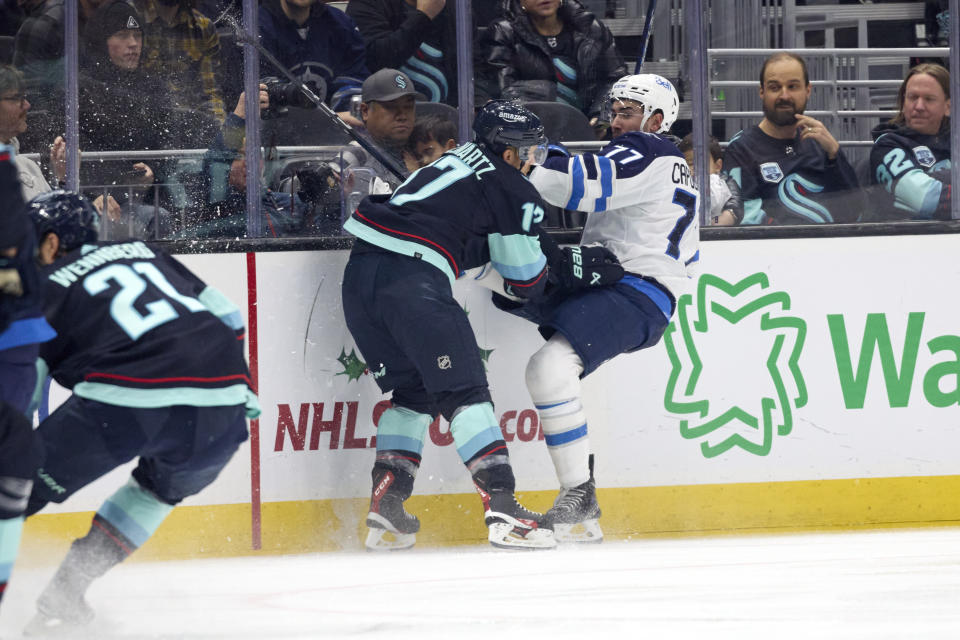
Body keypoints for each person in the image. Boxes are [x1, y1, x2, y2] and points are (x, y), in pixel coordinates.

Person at [21, 190, 260, 633]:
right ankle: (67, 591)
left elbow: (22, 387)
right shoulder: (145, 251)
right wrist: (234, 385)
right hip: (223, 409)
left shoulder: (41, 288)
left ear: (51, 244)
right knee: (155, 492)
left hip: (127, 403)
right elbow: (229, 318)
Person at [341, 100, 556, 551]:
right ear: (510, 153)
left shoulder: (456, 159)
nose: (533, 161)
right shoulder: (511, 187)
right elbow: (526, 279)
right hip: (411, 283)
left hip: (360, 279)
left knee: (414, 393)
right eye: (529, 152)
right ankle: (502, 508)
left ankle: (387, 504)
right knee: (466, 392)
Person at [506, 74, 699, 543]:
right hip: (617, 280)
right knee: (507, 278)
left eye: (627, 112)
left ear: (656, 119)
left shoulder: (648, 148)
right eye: (613, 111)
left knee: (549, 369)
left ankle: (579, 494)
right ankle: (584, 516)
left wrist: (525, 152)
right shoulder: (661, 156)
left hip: (637, 288)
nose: (616, 122)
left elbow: (580, 186)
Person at [0, 145, 53, 613]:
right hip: (13, 331)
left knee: (9, 459)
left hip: (15, 337)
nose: (24, 102)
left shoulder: (11, 162)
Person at [722, 52, 861, 225]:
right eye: (775, 87)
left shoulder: (820, 145)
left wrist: (834, 153)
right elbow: (744, 218)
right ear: (761, 92)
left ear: (807, 91)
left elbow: (855, 212)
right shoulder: (742, 149)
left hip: (829, 248)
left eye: (793, 87)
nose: (784, 96)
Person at [79, 0, 176, 238]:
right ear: (102, 42)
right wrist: (102, 192)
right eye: (122, 36)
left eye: (137, 35)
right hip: (98, 203)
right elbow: (77, 155)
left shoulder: (155, 88)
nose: (133, 44)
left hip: (150, 198)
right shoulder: (80, 88)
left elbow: (170, 142)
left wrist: (154, 169)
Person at [477, 0, 626, 128]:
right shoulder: (503, 32)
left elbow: (616, 80)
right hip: (529, 133)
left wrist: (601, 116)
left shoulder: (591, 28)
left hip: (589, 131)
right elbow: (503, 92)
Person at [346, 0, 498, 106]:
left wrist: (479, 103)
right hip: (389, 115)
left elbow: (474, 69)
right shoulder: (367, 4)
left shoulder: (459, 10)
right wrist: (424, 16)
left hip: (446, 122)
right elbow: (378, 60)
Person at [869, 63, 951, 221]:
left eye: (929, 99)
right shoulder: (887, 145)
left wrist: (938, 180)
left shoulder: (955, 141)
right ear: (903, 102)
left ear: (948, 107)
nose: (919, 106)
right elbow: (927, 199)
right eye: (913, 98)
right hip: (903, 240)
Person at [258, 0, 369, 117]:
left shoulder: (340, 24)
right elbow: (257, 97)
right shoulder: (257, 27)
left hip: (336, 131)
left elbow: (355, 79)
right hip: (276, 131)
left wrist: (341, 116)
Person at [131, 0, 226, 132]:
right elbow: (123, 82)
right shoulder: (133, 18)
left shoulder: (202, 27)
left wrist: (221, 135)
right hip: (142, 124)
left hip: (187, 128)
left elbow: (210, 93)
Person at [337, 68, 423, 212]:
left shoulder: (425, 149)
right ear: (365, 111)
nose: (402, 115)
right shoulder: (356, 153)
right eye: (391, 107)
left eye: (408, 107)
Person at [678, 133, 743, 226]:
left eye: (701, 164)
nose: (695, 169)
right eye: (689, 164)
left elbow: (732, 210)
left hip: (713, 221)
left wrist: (715, 222)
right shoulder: (679, 182)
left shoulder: (726, 184)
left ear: (718, 166)